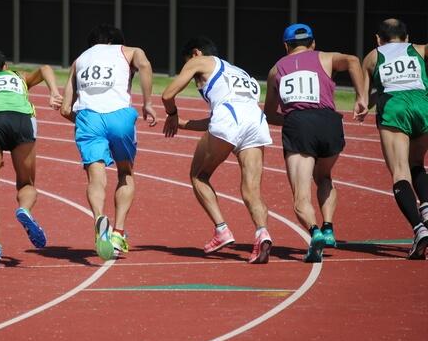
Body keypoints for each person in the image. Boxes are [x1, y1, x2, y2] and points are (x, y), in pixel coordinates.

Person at [162, 36, 273, 264]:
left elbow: (167, 95)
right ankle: (262, 233)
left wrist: (171, 114)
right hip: (255, 120)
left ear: (195, 53)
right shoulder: (240, 73)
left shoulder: (200, 61)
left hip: (230, 117)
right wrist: (182, 123)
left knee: (198, 175)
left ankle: (222, 229)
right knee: (252, 189)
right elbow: (218, 119)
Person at [264, 23, 368, 263]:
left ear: (285, 46)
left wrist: (294, 120)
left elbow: (269, 114)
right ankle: (329, 227)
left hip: (298, 124)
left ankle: (315, 232)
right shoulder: (326, 57)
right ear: (312, 43)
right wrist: (361, 97)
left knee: (301, 197)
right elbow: (353, 60)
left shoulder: (276, 69)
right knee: (324, 177)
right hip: (330, 122)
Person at [60, 24, 157, 260]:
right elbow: (144, 65)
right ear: (116, 41)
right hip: (120, 116)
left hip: (89, 117)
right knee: (125, 172)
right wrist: (147, 103)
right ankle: (118, 232)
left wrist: (83, 120)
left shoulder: (79, 60)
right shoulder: (129, 51)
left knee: (96, 177)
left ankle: (98, 219)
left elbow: (64, 109)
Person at [0, 46, 63, 269]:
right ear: (5, 67)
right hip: (22, 120)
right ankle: (25, 210)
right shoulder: (18, 77)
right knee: (26, 183)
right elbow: (46, 68)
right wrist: (54, 92)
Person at [362, 18, 428, 259]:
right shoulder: (419, 49)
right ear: (407, 38)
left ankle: (419, 228)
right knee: (417, 163)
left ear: (378, 39)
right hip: (423, 105)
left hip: (394, 106)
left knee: (400, 172)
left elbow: (364, 96)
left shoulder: (371, 57)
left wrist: (363, 106)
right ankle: (427, 209)